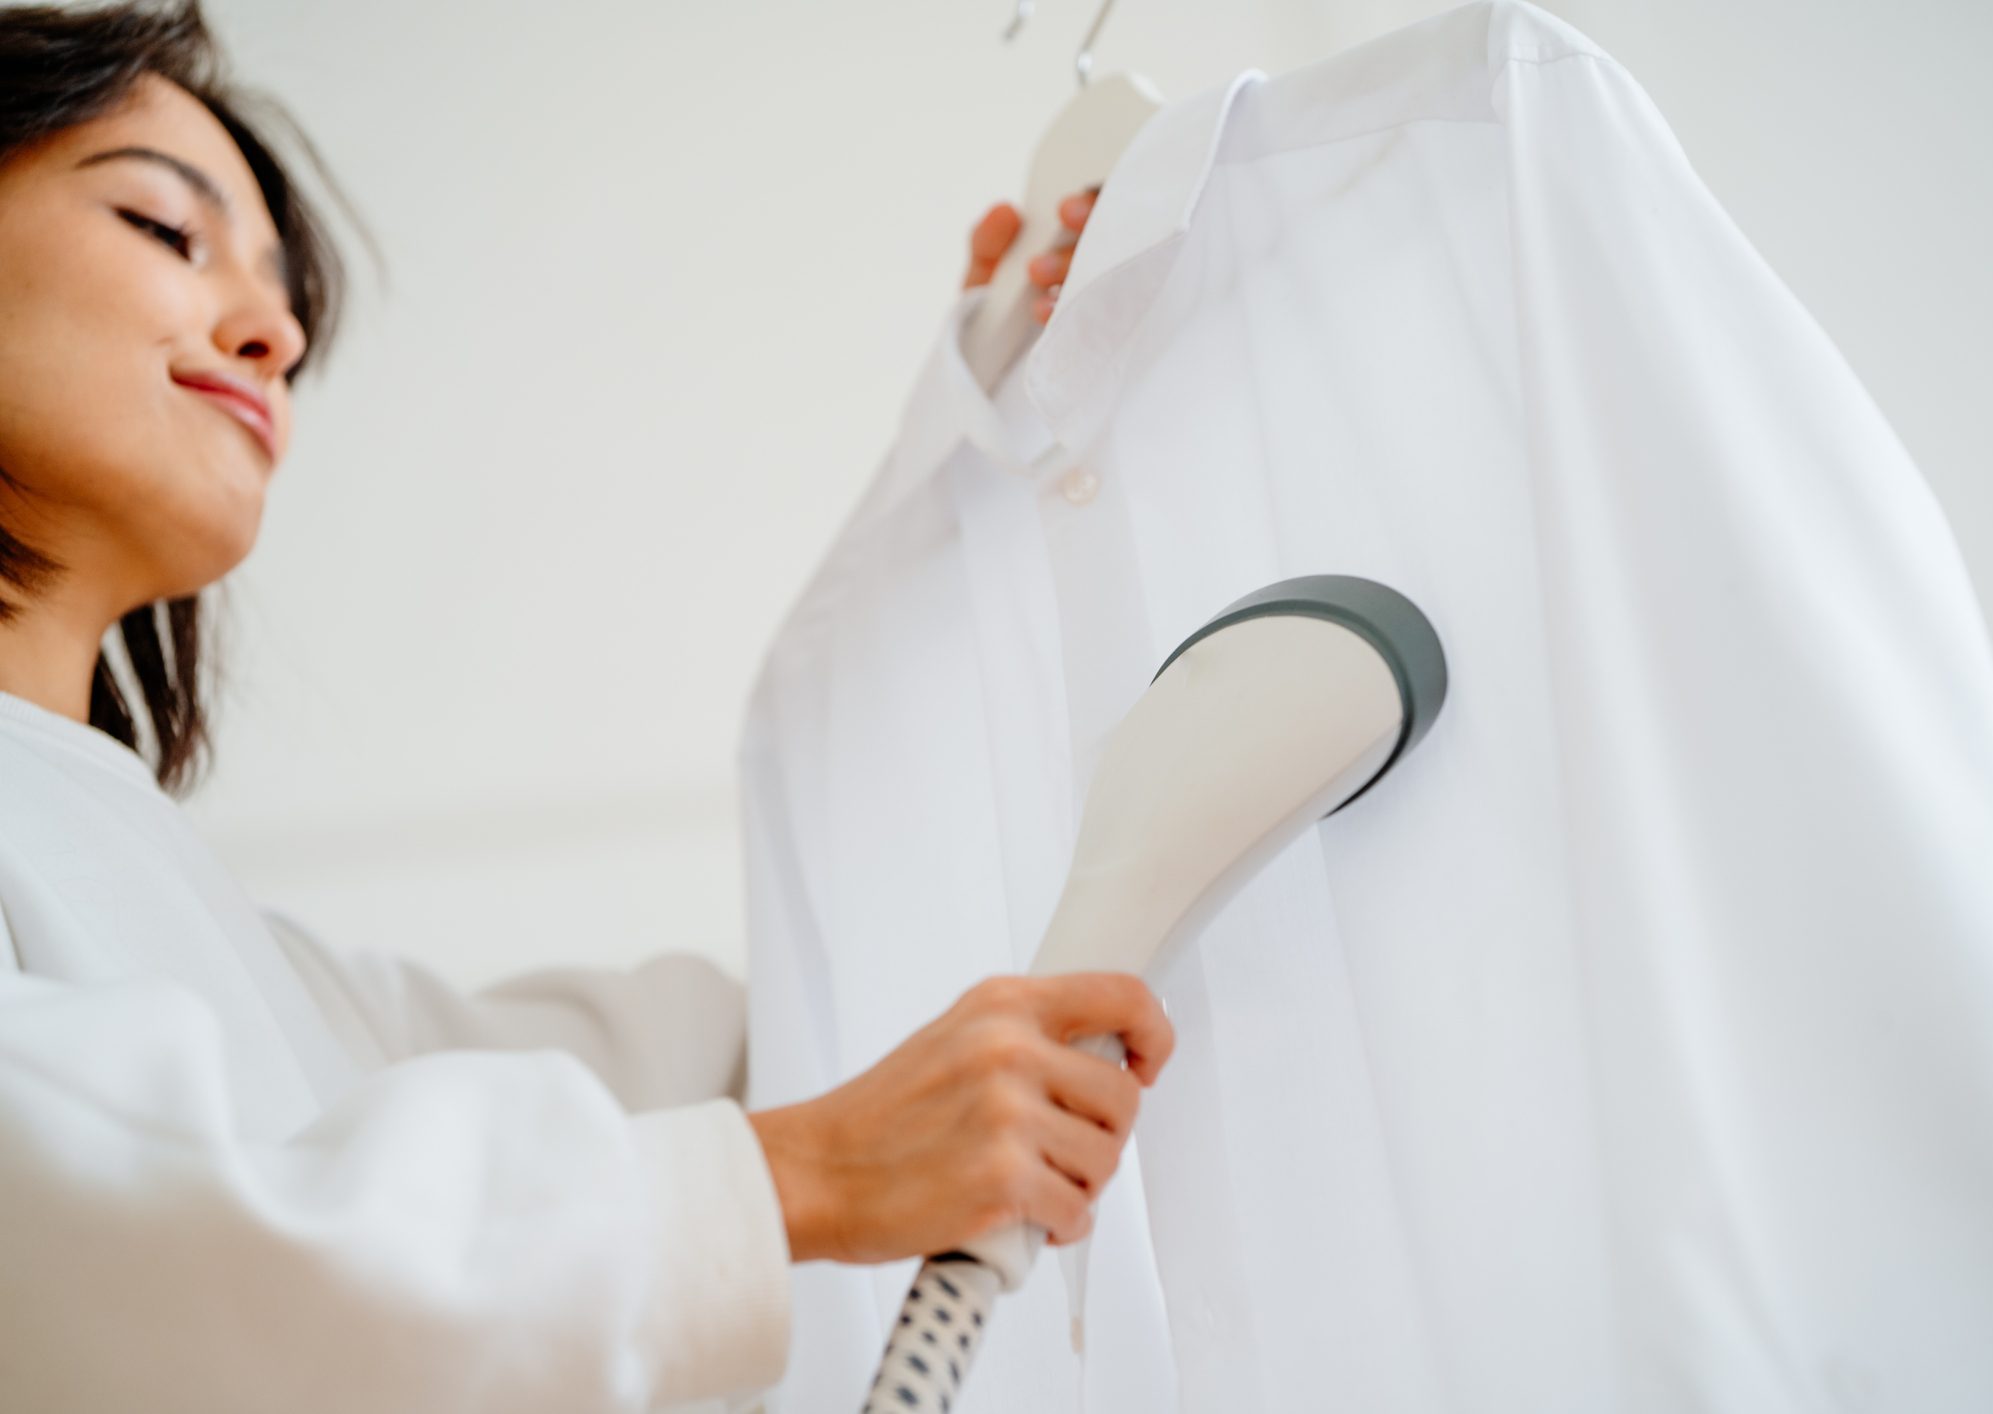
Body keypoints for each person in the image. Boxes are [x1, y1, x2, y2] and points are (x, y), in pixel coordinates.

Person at [0, 2, 1172, 1408]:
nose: (271, 330)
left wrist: (991, 448)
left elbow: (700, 1059)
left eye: (282, 299)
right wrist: (803, 1170)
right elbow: (138, 1238)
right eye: (162, 230)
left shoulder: (195, 919)